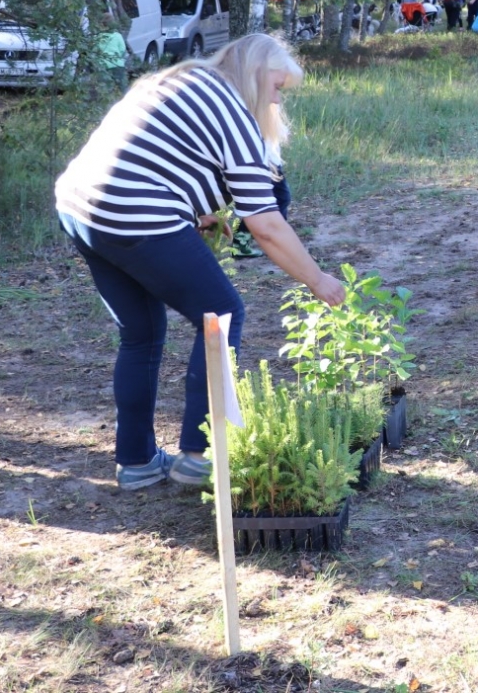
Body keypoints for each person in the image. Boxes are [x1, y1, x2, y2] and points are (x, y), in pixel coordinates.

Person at [54, 34, 347, 490]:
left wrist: (197, 211)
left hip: (81, 208)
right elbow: (265, 224)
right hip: (134, 215)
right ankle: (198, 454)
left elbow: (156, 155)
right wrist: (317, 279)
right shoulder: (235, 116)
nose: (277, 97)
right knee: (222, 314)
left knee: (142, 333)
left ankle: (136, 463)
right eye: (277, 86)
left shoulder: (183, 80)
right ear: (254, 74)